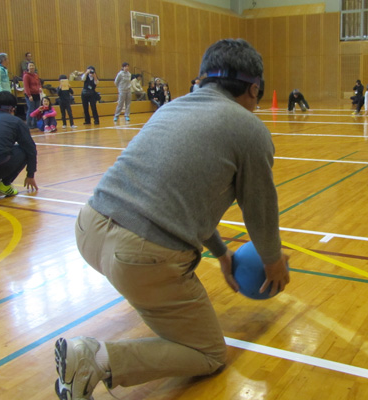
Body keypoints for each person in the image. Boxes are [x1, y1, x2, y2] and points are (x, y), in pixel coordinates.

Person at [53, 38, 290, 400]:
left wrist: (222, 252)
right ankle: (96, 359)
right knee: (208, 353)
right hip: (139, 255)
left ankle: (126, 329)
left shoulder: (171, 108)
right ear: (254, 88)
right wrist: (273, 262)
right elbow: (259, 208)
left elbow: (180, 197)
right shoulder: (248, 128)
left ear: (203, 79)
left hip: (89, 228)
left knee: (146, 278)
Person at [23, 62, 42, 129]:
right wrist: (29, 95)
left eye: (32, 65)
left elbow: (39, 83)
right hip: (30, 95)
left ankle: (34, 123)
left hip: (37, 94)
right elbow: (26, 86)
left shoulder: (36, 75)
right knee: (31, 109)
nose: (31, 67)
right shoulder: (26, 76)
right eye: (30, 66)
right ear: (28, 67)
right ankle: (28, 124)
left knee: (37, 109)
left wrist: (40, 88)